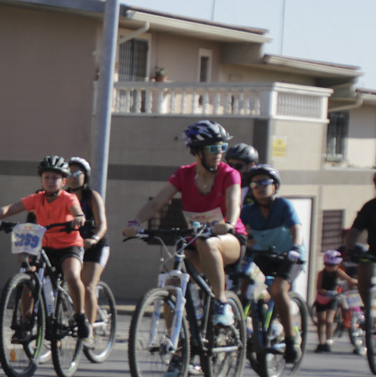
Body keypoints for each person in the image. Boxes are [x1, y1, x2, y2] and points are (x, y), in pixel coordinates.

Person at [123, 120, 245, 327]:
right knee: (173, 286)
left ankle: (222, 302)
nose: (219, 153)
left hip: (228, 239)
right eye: (213, 148)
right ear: (197, 151)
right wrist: (136, 223)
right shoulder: (184, 174)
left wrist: (229, 223)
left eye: (222, 147)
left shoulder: (229, 174)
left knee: (209, 243)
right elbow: (157, 203)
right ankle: (177, 350)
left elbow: (234, 202)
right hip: (195, 241)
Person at [0, 156, 90, 338]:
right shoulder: (36, 199)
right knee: (28, 276)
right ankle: (26, 322)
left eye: (55, 178)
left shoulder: (69, 198)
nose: (50, 181)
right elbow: (11, 208)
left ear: (64, 181)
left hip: (69, 245)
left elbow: (76, 211)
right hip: (44, 245)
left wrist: (79, 218)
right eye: (47, 177)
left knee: (72, 275)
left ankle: (80, 316)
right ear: (41, 180)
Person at [239, 164, 304, 363]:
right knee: (245, 286)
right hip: (263, 255)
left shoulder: (283, 205)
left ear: (275, 186)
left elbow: (297, 230)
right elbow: (242, 234)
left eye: (264, 183)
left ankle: (291, 338)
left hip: (289, 256)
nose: (259, 187)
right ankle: (249, 326)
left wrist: (295, 247)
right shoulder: (248, 211)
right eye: (255, 183)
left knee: (278, 289)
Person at [66, 156, 108, 338]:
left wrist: (95, 238)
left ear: (85, 176)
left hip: (95, 246)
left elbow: (103, 224)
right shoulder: (64, 197)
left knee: (88, 285)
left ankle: (88, 330)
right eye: (69, 173)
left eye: (77, 173)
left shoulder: (92, 197)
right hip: (73, 245)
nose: (73, 177)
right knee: (71, 283)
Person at [343, 168, 376, 329]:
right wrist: (349, 249)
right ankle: (368, 312)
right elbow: (355, 230)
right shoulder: (370, 207)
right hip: (375, 252)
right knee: (363, 268)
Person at [314, 249, 356, 353]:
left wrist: (360, 282)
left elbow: (349, 280)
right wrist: (326, 292)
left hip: (332, 299)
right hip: (322, 298)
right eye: (328, 264)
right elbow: (318, 288)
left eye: (333, 265)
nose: (330, 267)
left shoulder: (338, 272)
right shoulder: (321, 273)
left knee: (329, 320)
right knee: (320, 322)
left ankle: (328, 342)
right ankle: (321, 342)